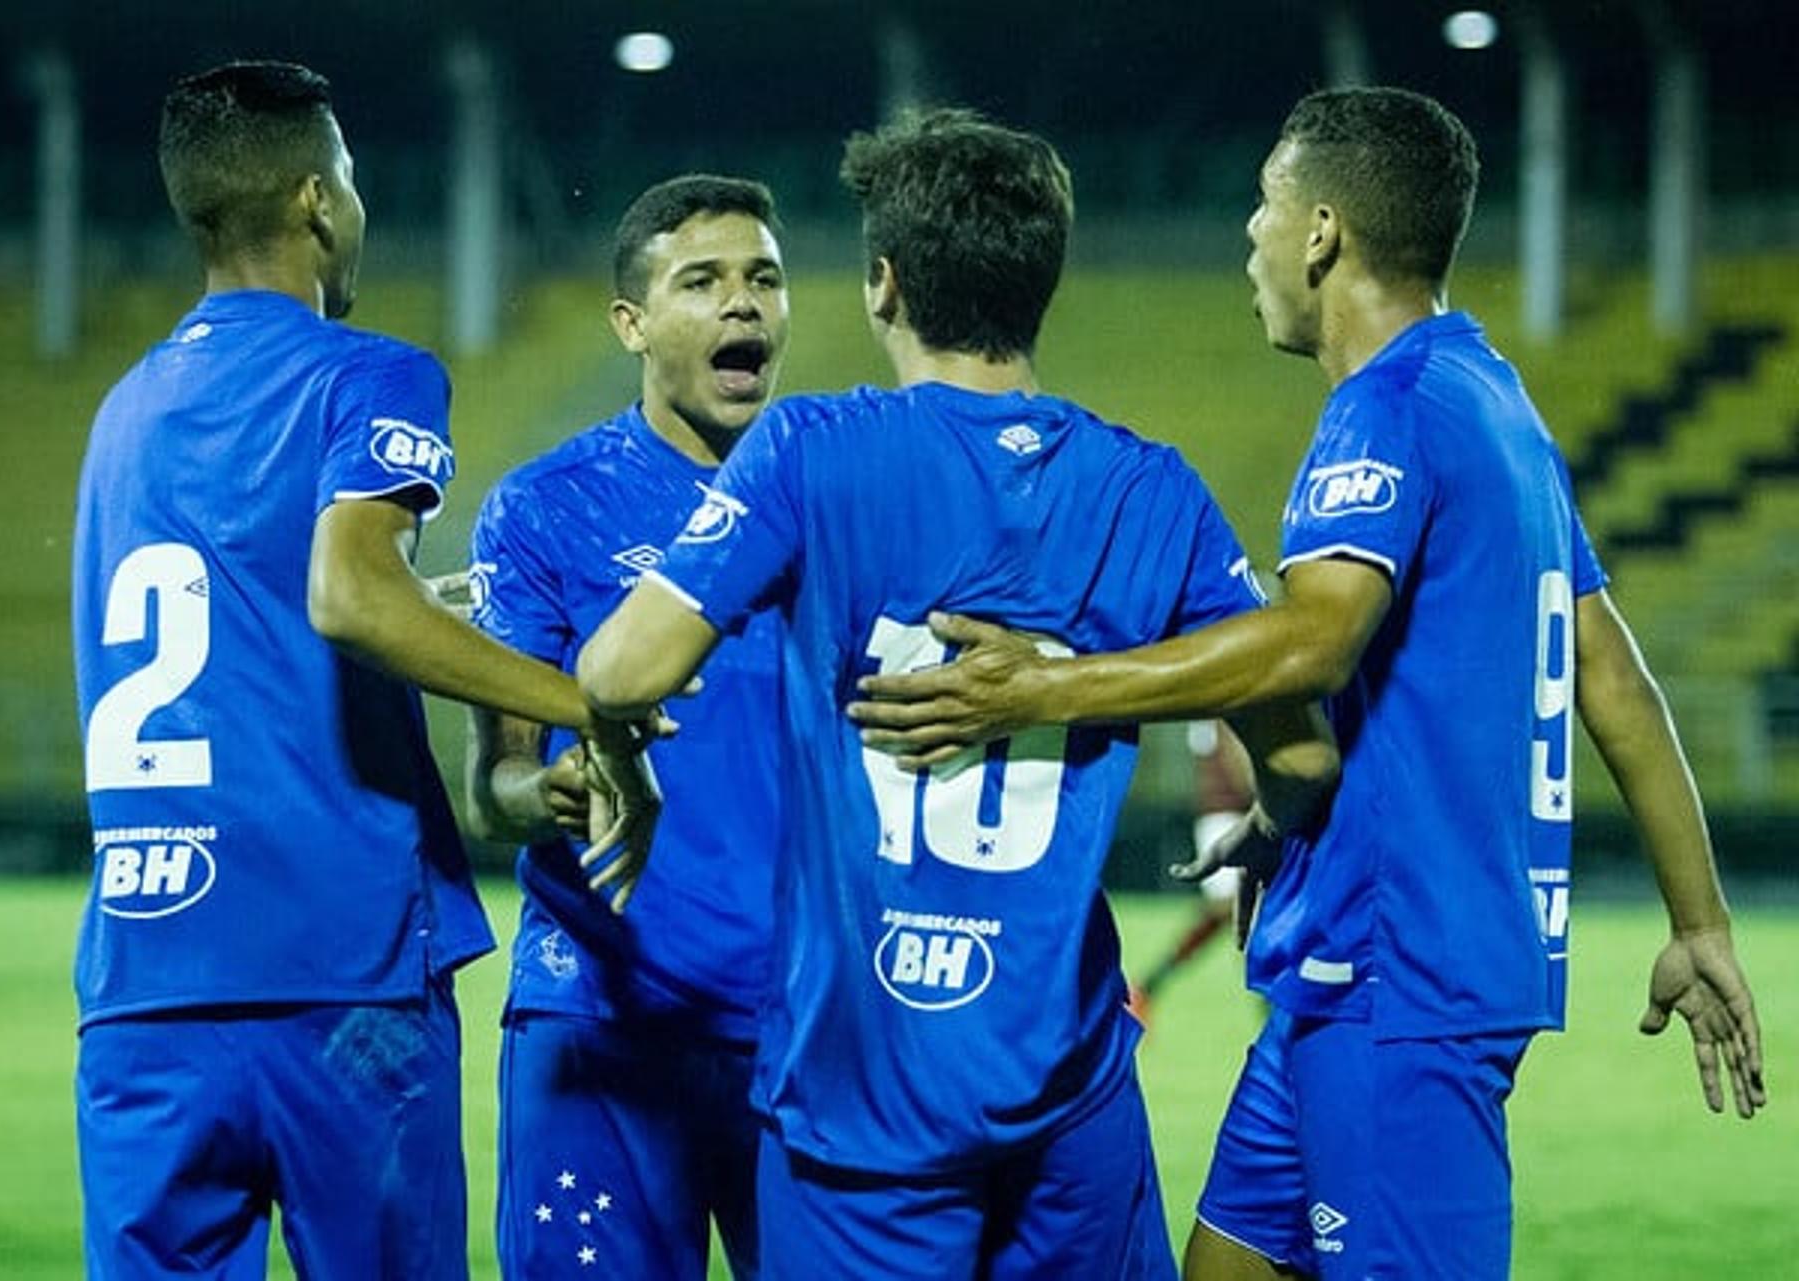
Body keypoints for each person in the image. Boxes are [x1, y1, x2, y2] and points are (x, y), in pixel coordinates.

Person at [847, 87, 1767, 1279]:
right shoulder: (1493, 398)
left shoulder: (1383, 408)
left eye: (1264, 210)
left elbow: (1311, 643)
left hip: (1403, 976)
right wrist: (1696, 924)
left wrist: (1041, 689)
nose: (1250, 241)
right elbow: (1616, 679)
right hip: (1351, 965)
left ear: (1322, 232)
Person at [576, 108, 1338, 1281]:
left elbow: (618, 673)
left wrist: (626, 762)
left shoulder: (808, 451)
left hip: (859, 1093)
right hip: (1068, 1095)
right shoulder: (1154, 492)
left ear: (883, 284)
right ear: (1044, 282)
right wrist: (1262, 827)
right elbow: (1300, 764)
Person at [70, 61, 605, 1280]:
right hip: (341, 981)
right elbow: (346, 592)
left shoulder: (121, 414)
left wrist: (416, 608)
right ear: (318, 200)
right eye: (354, 183)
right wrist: (583, 704)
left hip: (147, 993)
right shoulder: (365, 374)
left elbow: (264, 603)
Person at [463, 174, 790, 1280]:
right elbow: (496, 780)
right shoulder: (546, 506)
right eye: (701, 281)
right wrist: (545, 793)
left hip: (797, 1024)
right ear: (632, 323)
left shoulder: (830, 495)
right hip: (598, 1015)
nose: (742, 306)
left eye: (763, 279)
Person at [1127, 720, 1253, 1025]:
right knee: (1237, 913)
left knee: (1239, 916)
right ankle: (1148, 986)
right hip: (1229, 819)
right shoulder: (1231, 701)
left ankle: (1148, 986)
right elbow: (1242, 769)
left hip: (1220, 818)